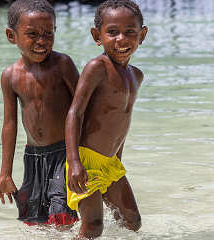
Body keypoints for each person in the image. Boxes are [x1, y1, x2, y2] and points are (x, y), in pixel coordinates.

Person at [65, 0, 148, 238]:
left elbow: (122, 121)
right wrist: (74, 162)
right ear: (97, 36)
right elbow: (75, 112)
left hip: (110, 163)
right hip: (86, 160)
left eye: (130, 32)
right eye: (112, 32)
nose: (121, 39)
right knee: (93, 227)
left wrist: (118, 161)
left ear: (142, 35)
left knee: (132, 221)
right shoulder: (97, 67)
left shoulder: (136, 75)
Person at [0, 0, 79, 226]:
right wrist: (5, 174)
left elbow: (82, 109)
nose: (42, 41)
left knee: (62, 215)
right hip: (32, 156)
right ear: (11, 36)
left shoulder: (62, 64)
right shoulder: (10, 76)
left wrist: (80, 158)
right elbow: (9, 125)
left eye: (48, 34)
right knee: (34, 219)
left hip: (65, 153)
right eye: (32, 34)